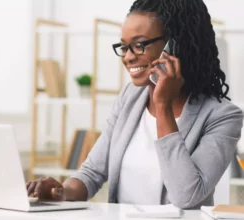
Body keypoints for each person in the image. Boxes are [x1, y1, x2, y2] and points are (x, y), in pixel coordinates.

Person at [26, 0, 244, 209]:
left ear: (176, 45)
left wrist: (163, 107)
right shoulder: (130, 97)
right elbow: (92, 173)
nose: (127, 57)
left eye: (138, 45)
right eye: (123, 47)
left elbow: (186, 196)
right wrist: (61, 192)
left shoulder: (223, 116)